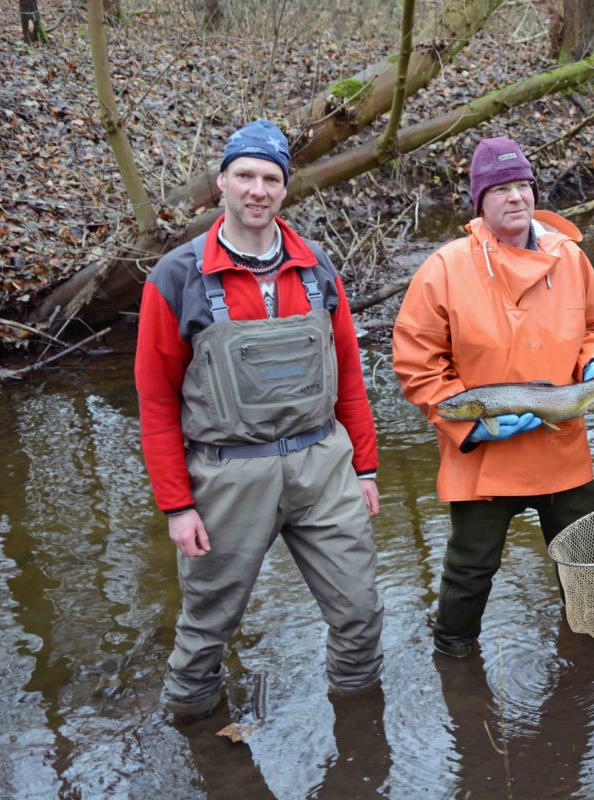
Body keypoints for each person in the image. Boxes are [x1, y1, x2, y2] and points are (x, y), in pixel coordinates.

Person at [135, 119, 385, 721]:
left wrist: (367, 467)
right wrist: (177, 505)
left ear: (285, 189)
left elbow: (348, 376)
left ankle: (359, 737)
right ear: (220, 183)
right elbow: (156, 400)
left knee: (360, 615)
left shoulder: (319, 268)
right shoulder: (176, 276)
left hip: (323, 464)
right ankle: (193, 735)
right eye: (244, 175)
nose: (257, 189)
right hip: (225, 476)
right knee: (205, 631)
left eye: (271, 178)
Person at [392, 135, 594, 658]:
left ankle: (586, 655)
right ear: (480, 201)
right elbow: (417, 362)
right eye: (500, 188)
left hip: (561, 441)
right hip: (484, 450)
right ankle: (454, 659)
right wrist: (470, 425)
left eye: (522, 185)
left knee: (583, 560)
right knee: (469, 568)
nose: (515, 197)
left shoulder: (571, 258)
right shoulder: (445, 268)